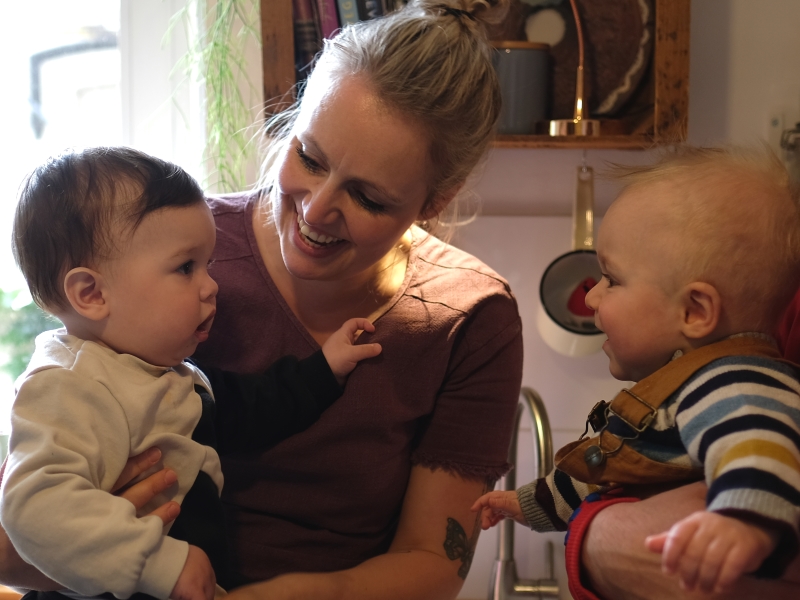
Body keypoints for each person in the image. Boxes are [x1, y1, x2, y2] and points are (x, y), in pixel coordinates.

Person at [0, 2, 524, 599]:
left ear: (435, 201)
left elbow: (431, 564)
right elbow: (13, 542)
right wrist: (118, 545)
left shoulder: (470, 317)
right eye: (309, 157)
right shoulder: (158, 253)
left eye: (368, 197)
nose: (316, 210)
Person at [2, 147, 381, 600]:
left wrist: (324, 368)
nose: (211, 286)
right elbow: (33, 505)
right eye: (186, 268)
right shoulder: (68, 384)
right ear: (91, 293)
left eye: (208, 265)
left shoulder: (170, 373)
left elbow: (252, 406)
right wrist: (158, 562)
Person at [472, 145, 800, 596]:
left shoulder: (734, 382)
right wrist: (525, 504)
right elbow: (608, 470)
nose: (592, 297)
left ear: (694, 310)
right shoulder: (680, 390)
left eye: (612, 279)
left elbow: (761, 448)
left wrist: (744, 522)